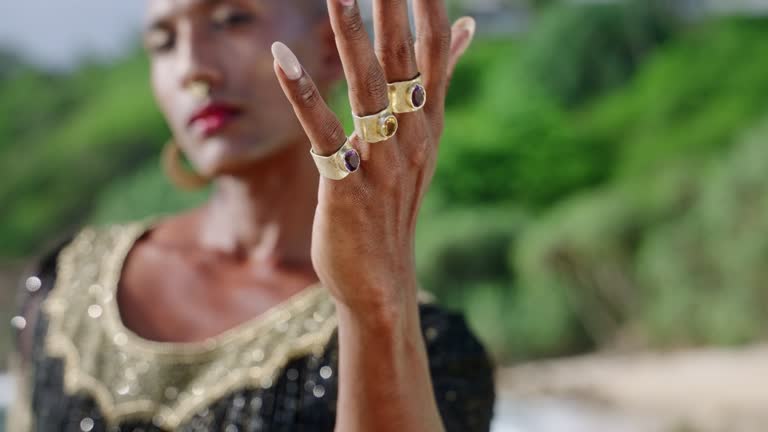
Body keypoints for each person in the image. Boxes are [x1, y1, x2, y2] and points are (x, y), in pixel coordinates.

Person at [7, 0, 495, 430]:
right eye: (163, 41)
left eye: (230, 19)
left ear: (329, 46)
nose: (193, 69)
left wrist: (374, 310)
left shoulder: (433, 353)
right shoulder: (64, 288)